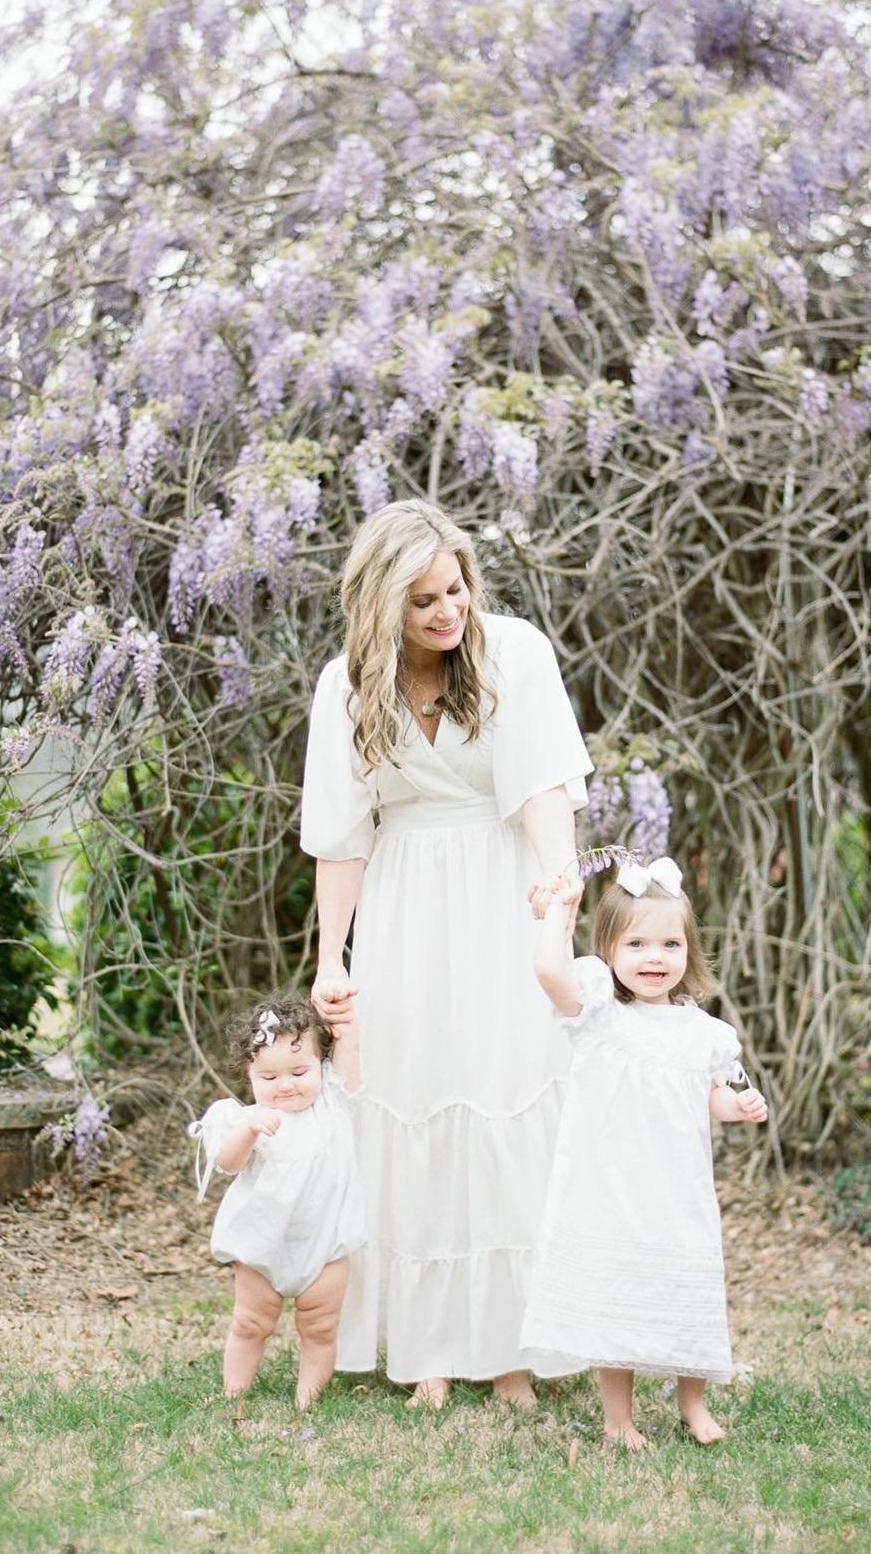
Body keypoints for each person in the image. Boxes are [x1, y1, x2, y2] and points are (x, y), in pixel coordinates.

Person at [300, 500, 592, 1408]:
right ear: (382, 605)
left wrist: (559, 883)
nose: (446, 613)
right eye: (423, 600)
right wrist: (331, 960)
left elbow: (543, 784)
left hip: (500, 890)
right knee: (413, 1097)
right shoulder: (345, 688)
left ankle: (510, 1353)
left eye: (455, 590)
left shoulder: (516, 653)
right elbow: (341, 835)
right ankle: (427, 1348)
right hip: (405, 900)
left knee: (507, 1095)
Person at [520, 857, 768, 1450]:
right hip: (613, 1188)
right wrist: (557, 914)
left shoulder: (701, 1031)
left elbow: (712, 1093)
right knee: (619, 1296)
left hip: (677, 1188)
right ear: (608, 950)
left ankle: (693, 1402)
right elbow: (549, 972)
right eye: (636, 943)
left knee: (687, 1287)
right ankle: (618, 1420)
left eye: (669, 944)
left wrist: (737, 1106)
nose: (654, 958)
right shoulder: (601, 1011)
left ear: (690, 952)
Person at [190, 995, 364, 1409]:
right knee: (251, 1322)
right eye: (268, 1077)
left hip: (326, 1242)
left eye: (299, 1071)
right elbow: (228, 1165)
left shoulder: (334, 1106)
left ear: (321, 1065)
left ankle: (309, 1399)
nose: (285, 1085)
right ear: (248, 1074)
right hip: (262, 1243)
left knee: (320, 1326)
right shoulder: (244, 1118)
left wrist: (337, 1001)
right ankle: (234, 1394)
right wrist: (248, 1132)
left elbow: (350, 1045)